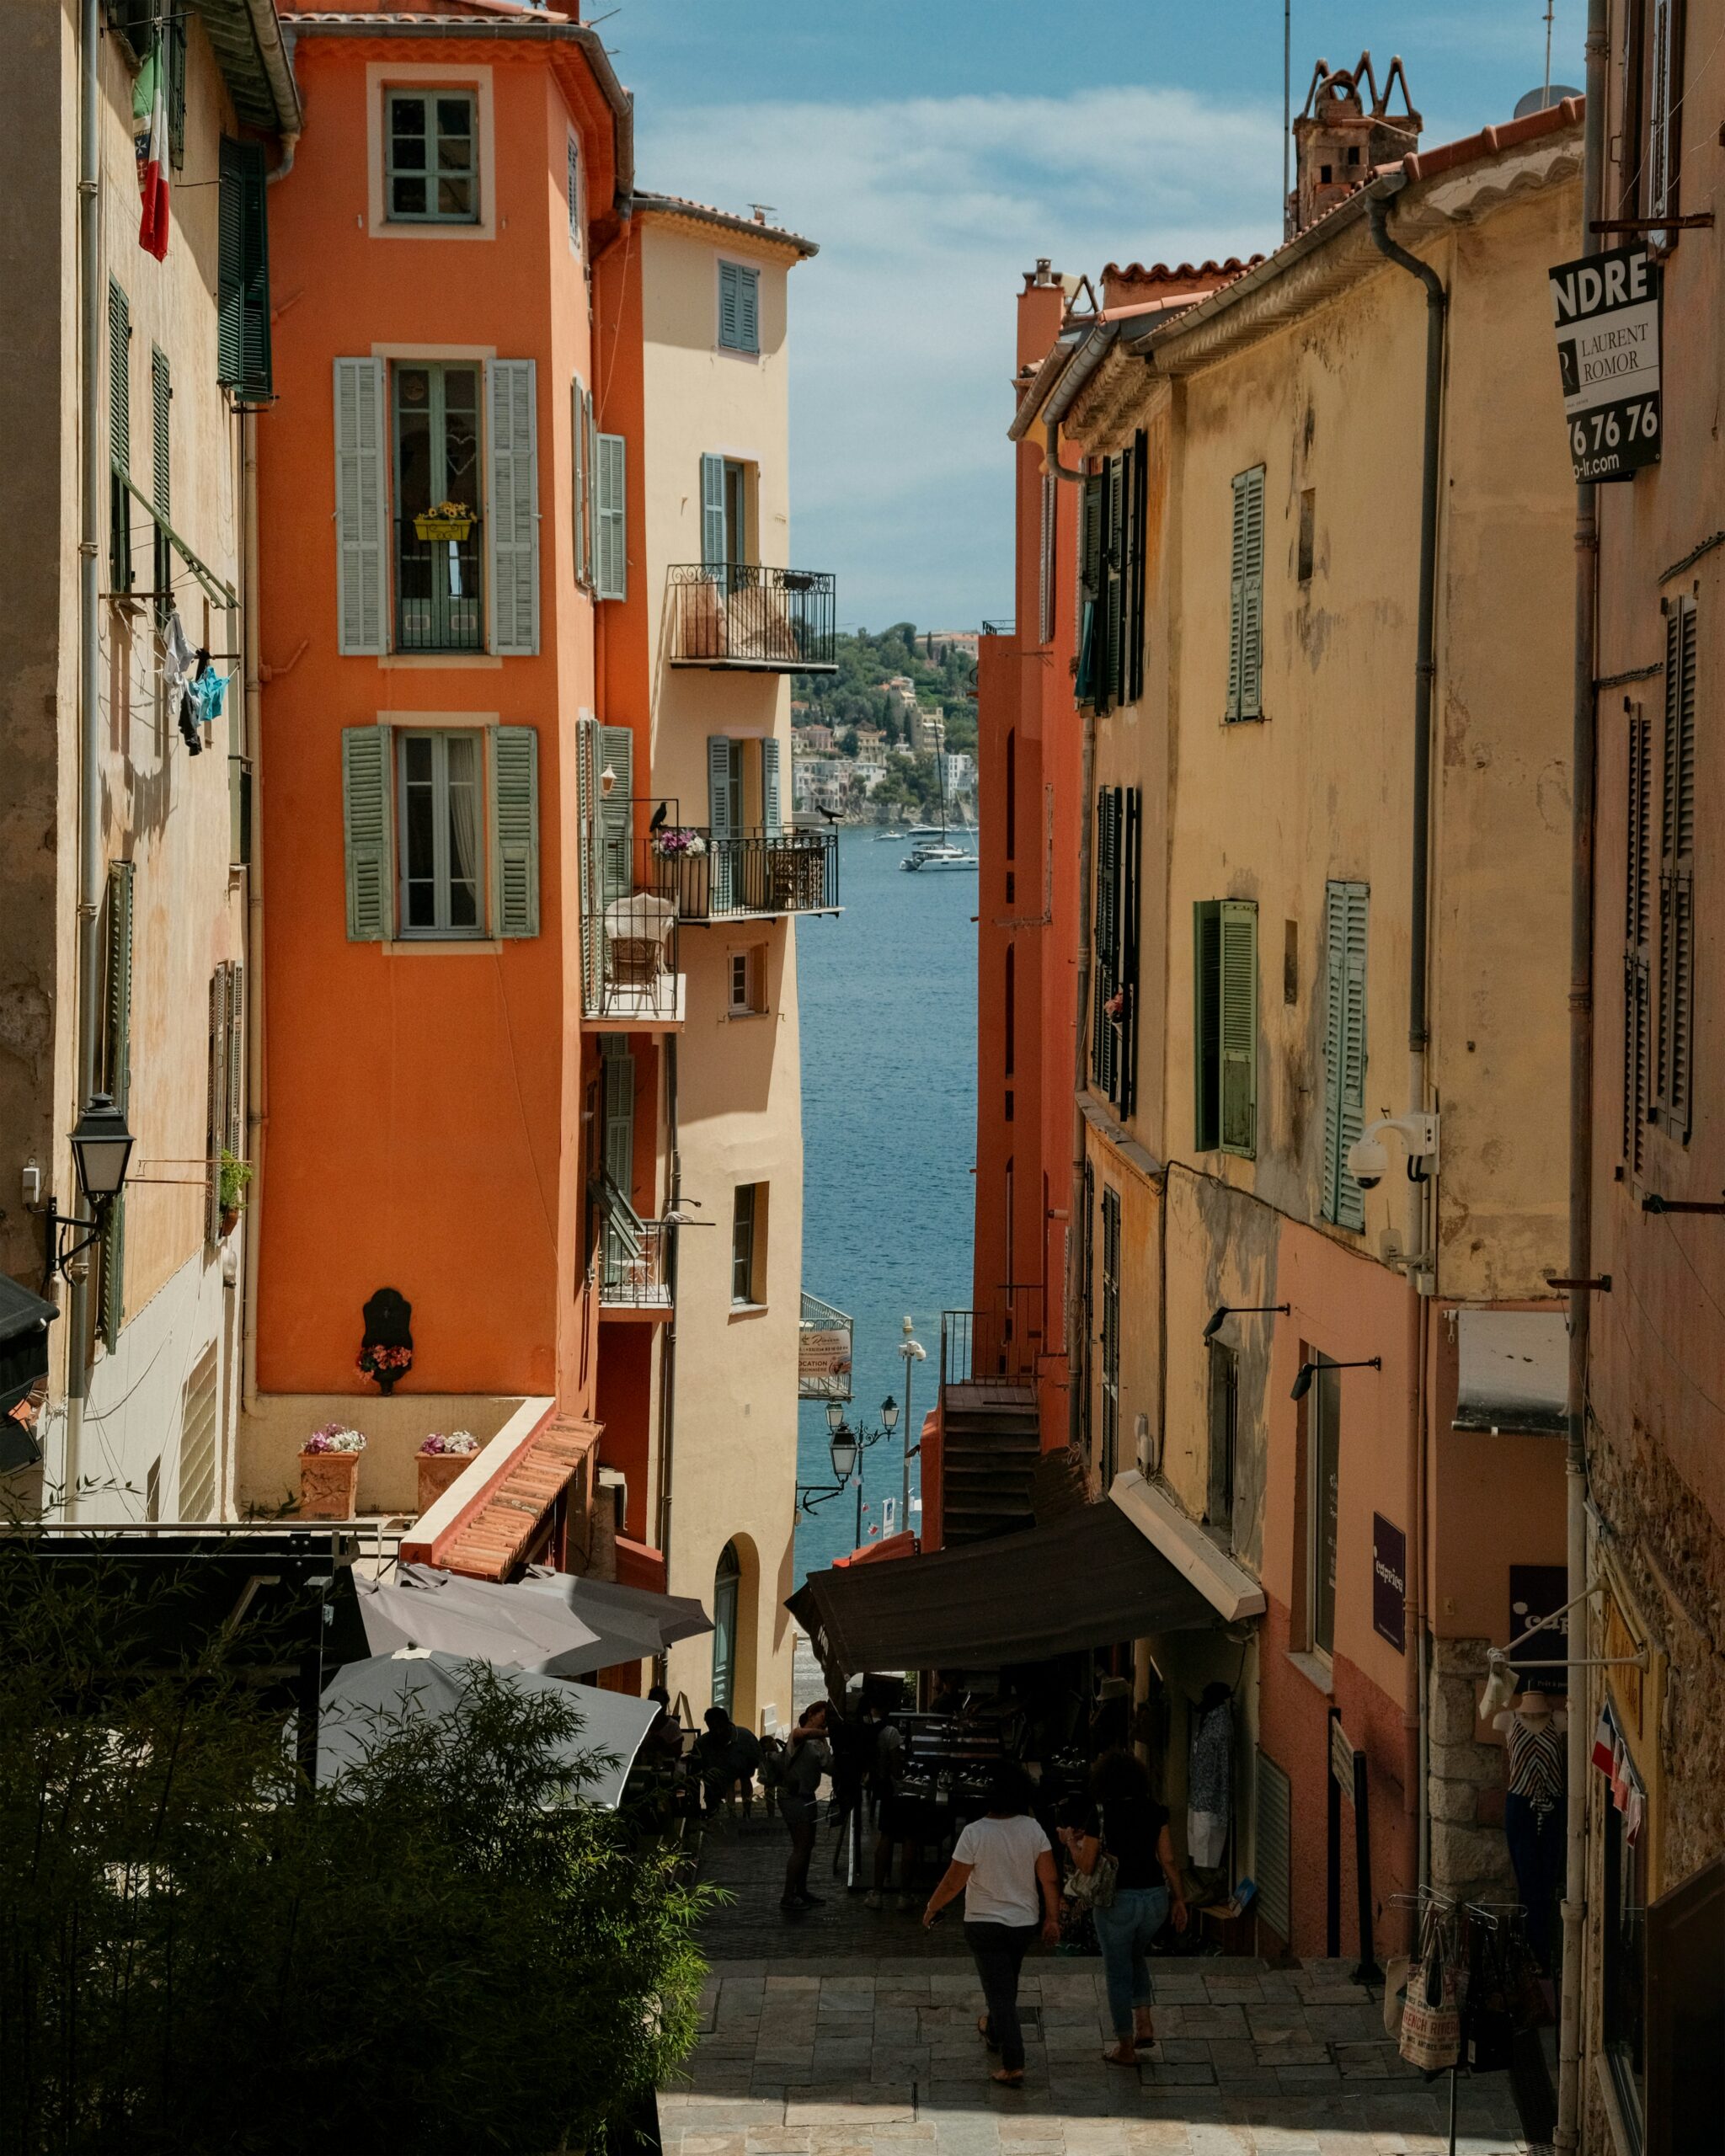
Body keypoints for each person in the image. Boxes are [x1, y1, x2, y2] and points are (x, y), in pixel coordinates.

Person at [922, 1762, 1060, 2086]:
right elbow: (1049, 1879)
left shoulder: (974, 1833)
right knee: (1005, 1985)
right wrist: (1052, 1918)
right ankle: (993, 2030)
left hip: (983, 1924)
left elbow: (953, 1882)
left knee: (1000, 1993)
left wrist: (932, 1908)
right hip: (1023, 1923)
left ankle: (1014, 2064)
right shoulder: (1033, 1830)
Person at [1061, 1748, 1188, 2066]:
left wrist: (1070, 1843)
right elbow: (1169, 1859)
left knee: (1117, 1971)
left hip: (1118, 1902)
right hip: (1155, 1899)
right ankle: (1144, 2022)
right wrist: (1180, 1899)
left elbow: (1087, 1866)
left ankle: (1126, 2046)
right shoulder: (1155, 1811)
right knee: (1136, 1955)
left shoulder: (1101, 1813)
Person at [777, 1700, 831, 1912]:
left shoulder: (821, 1744)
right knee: (801, 1846)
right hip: (793, 1797)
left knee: (807, 1846)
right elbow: (802, 1734)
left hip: (808, 1796)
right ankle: (788, 1895)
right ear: (811, 1713)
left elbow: (829, 1766)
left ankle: (801, 1890)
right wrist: (828, 1733)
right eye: (823, 1717)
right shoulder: (798, 1735)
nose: (825, 1723)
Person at [863, 1705, 919, 1910]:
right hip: (897, 1791)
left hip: (883, 1790)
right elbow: (897, 1769)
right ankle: (905, 1895)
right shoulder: (890, 1732)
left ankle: (877, 1893)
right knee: (909, 1838)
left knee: (885, 1837)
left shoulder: (867, 1732)